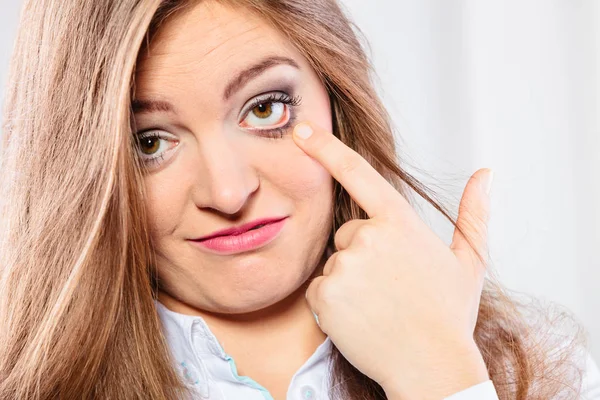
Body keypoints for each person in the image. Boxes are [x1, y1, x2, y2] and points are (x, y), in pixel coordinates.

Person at [1, 0, 598, 399]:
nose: (229, 193)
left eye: (265, 108)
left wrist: (440, 374)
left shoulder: (537, 373)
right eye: (150, 143)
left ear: (340, 102)